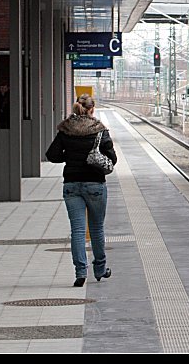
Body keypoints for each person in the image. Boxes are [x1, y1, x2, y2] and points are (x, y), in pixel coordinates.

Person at [45, 94, 117, 287]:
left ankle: (80, 272)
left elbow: (51, 155)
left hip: (71, 184)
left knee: (77, 230)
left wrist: (70, 158)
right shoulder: (100, 130)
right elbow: (113, 159)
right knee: (96, 228)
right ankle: (100, 269)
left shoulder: (66, 129)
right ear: (92, 109)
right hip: (95, 184)